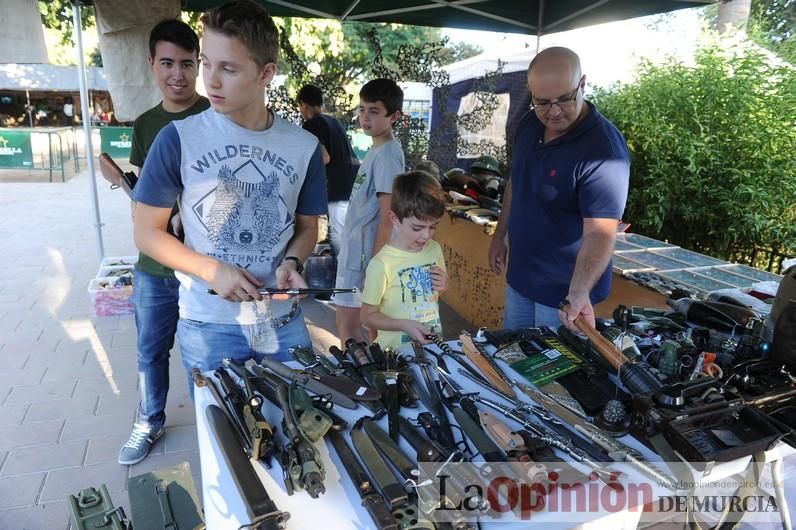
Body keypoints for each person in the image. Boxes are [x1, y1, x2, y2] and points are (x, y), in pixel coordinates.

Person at [132, 0, 325, 400]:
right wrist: (210, 270)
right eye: (206, 63)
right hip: (208, 324)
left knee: (300, 428)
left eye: (229, 68)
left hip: (281, 320)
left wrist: (293, 261)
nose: (210, 81)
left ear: (266, 73)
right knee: (224, 443)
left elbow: (308, 227)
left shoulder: (304, 147)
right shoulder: (178, 139)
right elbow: (146, 233)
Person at [118, 19, 211, 466]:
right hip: (154, 267)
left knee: (207, 352)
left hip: (204, 265)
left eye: (187, 64)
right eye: (168, 63)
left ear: (199, 66)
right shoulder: (146, 125)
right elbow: (141, 190)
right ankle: (149, 419)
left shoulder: (216, 115)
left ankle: (217, 427)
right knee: (150, 350)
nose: (178, 74)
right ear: (152, 64)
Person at [488, 46, 630, 332]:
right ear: (530, 92)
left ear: (583, 83)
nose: (553, 112)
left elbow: (600, 233)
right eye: (542, 102)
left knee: (548, 374)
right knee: (512, 361)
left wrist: (578, 292)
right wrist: (499, 234)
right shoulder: (529, 123)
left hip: (564, 294)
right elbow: (518, 180)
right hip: (522, 276)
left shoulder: (603, 151)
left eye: (564, 99)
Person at [333, 78, 405, 345]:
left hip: (364, 260)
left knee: (350, 328)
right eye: (362, 109)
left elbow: (389, 216)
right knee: (356, 328)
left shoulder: (387, 154)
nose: (365, 117)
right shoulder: (377, 149)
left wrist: (375, 267)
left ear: (393, 116)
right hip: (356, 255)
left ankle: (364, 383)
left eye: (374, 111)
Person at [360, 171, 448, 349]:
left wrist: (444, 286)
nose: (426, 236)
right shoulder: (381, 264)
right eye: (417, 227)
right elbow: (367, 316)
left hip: (433, 347)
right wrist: (403, 325)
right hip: (395, 355)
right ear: (394, 219)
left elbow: (433, 296)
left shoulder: (434, 250)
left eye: (433, 227)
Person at [296, 84, 359, 257]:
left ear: (303, 105)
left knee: (339, 238)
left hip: (338, 190)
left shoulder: (312, 125)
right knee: (349, 236)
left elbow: (324, 157)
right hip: (354, 185)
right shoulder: (333, 121)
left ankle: (342, 278)